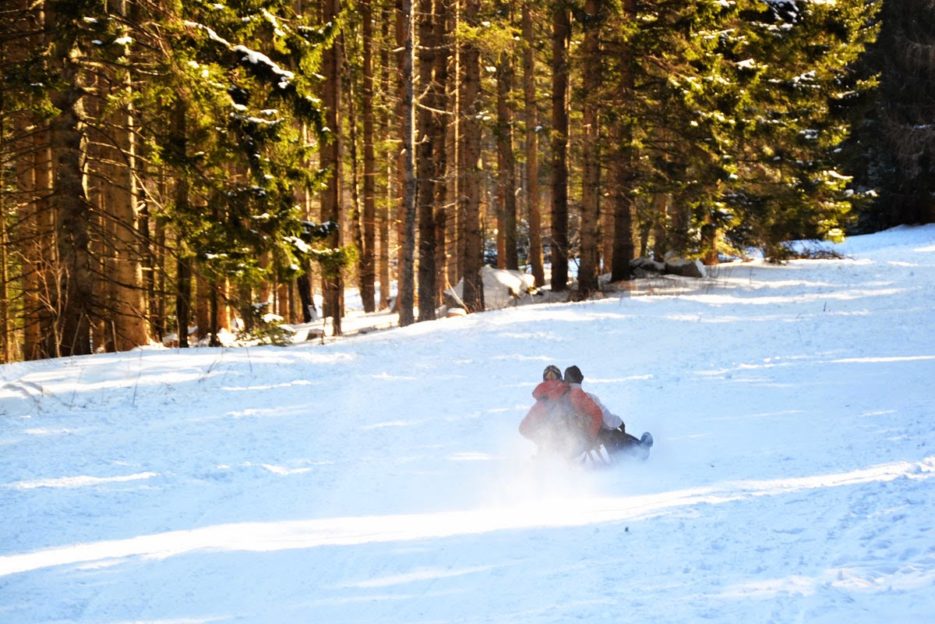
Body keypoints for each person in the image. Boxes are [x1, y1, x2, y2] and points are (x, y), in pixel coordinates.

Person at [563, 364, 653, 460]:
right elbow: (607, 419)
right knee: (610, 431)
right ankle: (640, 448)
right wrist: (620, 422)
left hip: (569, 444)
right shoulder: (588, 398)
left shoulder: (560, 400)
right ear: (581, 378)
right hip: (592, 442)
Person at [519, 365, 604, 460]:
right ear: (560, 378)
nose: (551, 379)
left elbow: (523, 429)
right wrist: (590, 437)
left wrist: (542, 440)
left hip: (551, 451)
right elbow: (596, 413)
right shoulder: (573, 393)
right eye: (549, 376)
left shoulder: (541, 404)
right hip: (577, 446)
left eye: (552, 376)